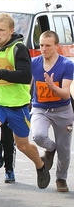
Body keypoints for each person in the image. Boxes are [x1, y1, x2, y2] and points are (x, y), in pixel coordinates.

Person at [0, 13, 50, 194]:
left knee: (23, 145)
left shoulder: (18, 49)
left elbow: (25, 76)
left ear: (11, 31)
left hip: (17, 104)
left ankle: (40, 165)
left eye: (1, 30)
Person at [30, 30, 73, 192]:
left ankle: (61, 178)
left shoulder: (67, 65)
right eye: (41, 45)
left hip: (63, 110)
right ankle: (50, 148)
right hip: (40, 109)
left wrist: (52, 86)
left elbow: (65, 93)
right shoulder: (34, 62)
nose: (44, 48)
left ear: (57, 46)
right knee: (38, 136)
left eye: (48, 45)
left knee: (65, 149)